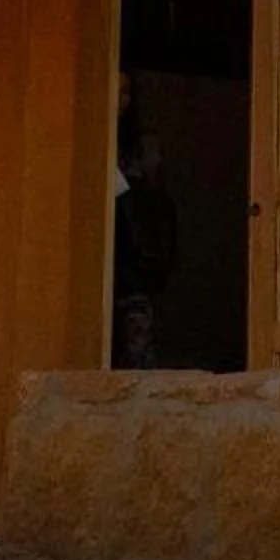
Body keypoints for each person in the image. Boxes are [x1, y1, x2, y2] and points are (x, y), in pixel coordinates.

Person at [110, 81, 179, 368]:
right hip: (122, 283)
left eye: (127, 92)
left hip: (135, 287)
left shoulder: (152, 198)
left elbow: (154, 246)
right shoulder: (120, 187)